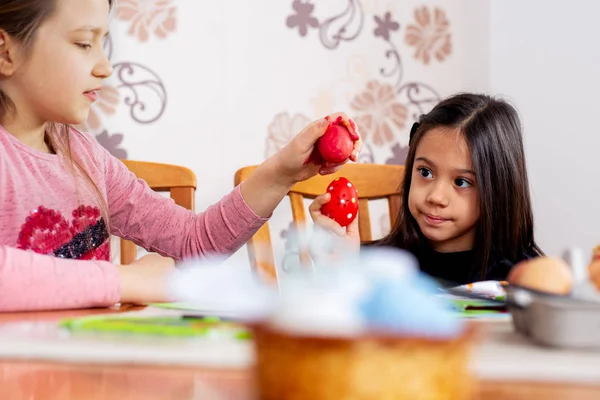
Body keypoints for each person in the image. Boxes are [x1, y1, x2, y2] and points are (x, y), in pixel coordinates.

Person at [0, 0, 361, 311]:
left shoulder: (84, 156)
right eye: (83, 43)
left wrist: (282, 173)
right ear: (5, 52)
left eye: (102, 43)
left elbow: (194, 242)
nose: (105, 67)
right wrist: (125, 280)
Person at [310, 93, 542, 285]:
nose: (435, 197)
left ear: (499, 188)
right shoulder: (374, 267)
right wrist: (340, 269)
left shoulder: (524, 281)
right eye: (425, 172)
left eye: (461, 182)